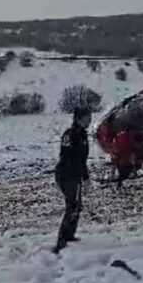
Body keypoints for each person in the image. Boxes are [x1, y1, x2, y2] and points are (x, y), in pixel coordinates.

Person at [53, 107, 92, 254]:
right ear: (79, 119)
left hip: (73, 174)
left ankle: (70, 235)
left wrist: (84, 175)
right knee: (72, 207)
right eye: (87, 118)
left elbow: (81, 159)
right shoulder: (73, 135)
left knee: (76, 206)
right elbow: (74, 158)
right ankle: (61, 241)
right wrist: (84, 177)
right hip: (68, 175)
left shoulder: (80, 134)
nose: (89, 121)